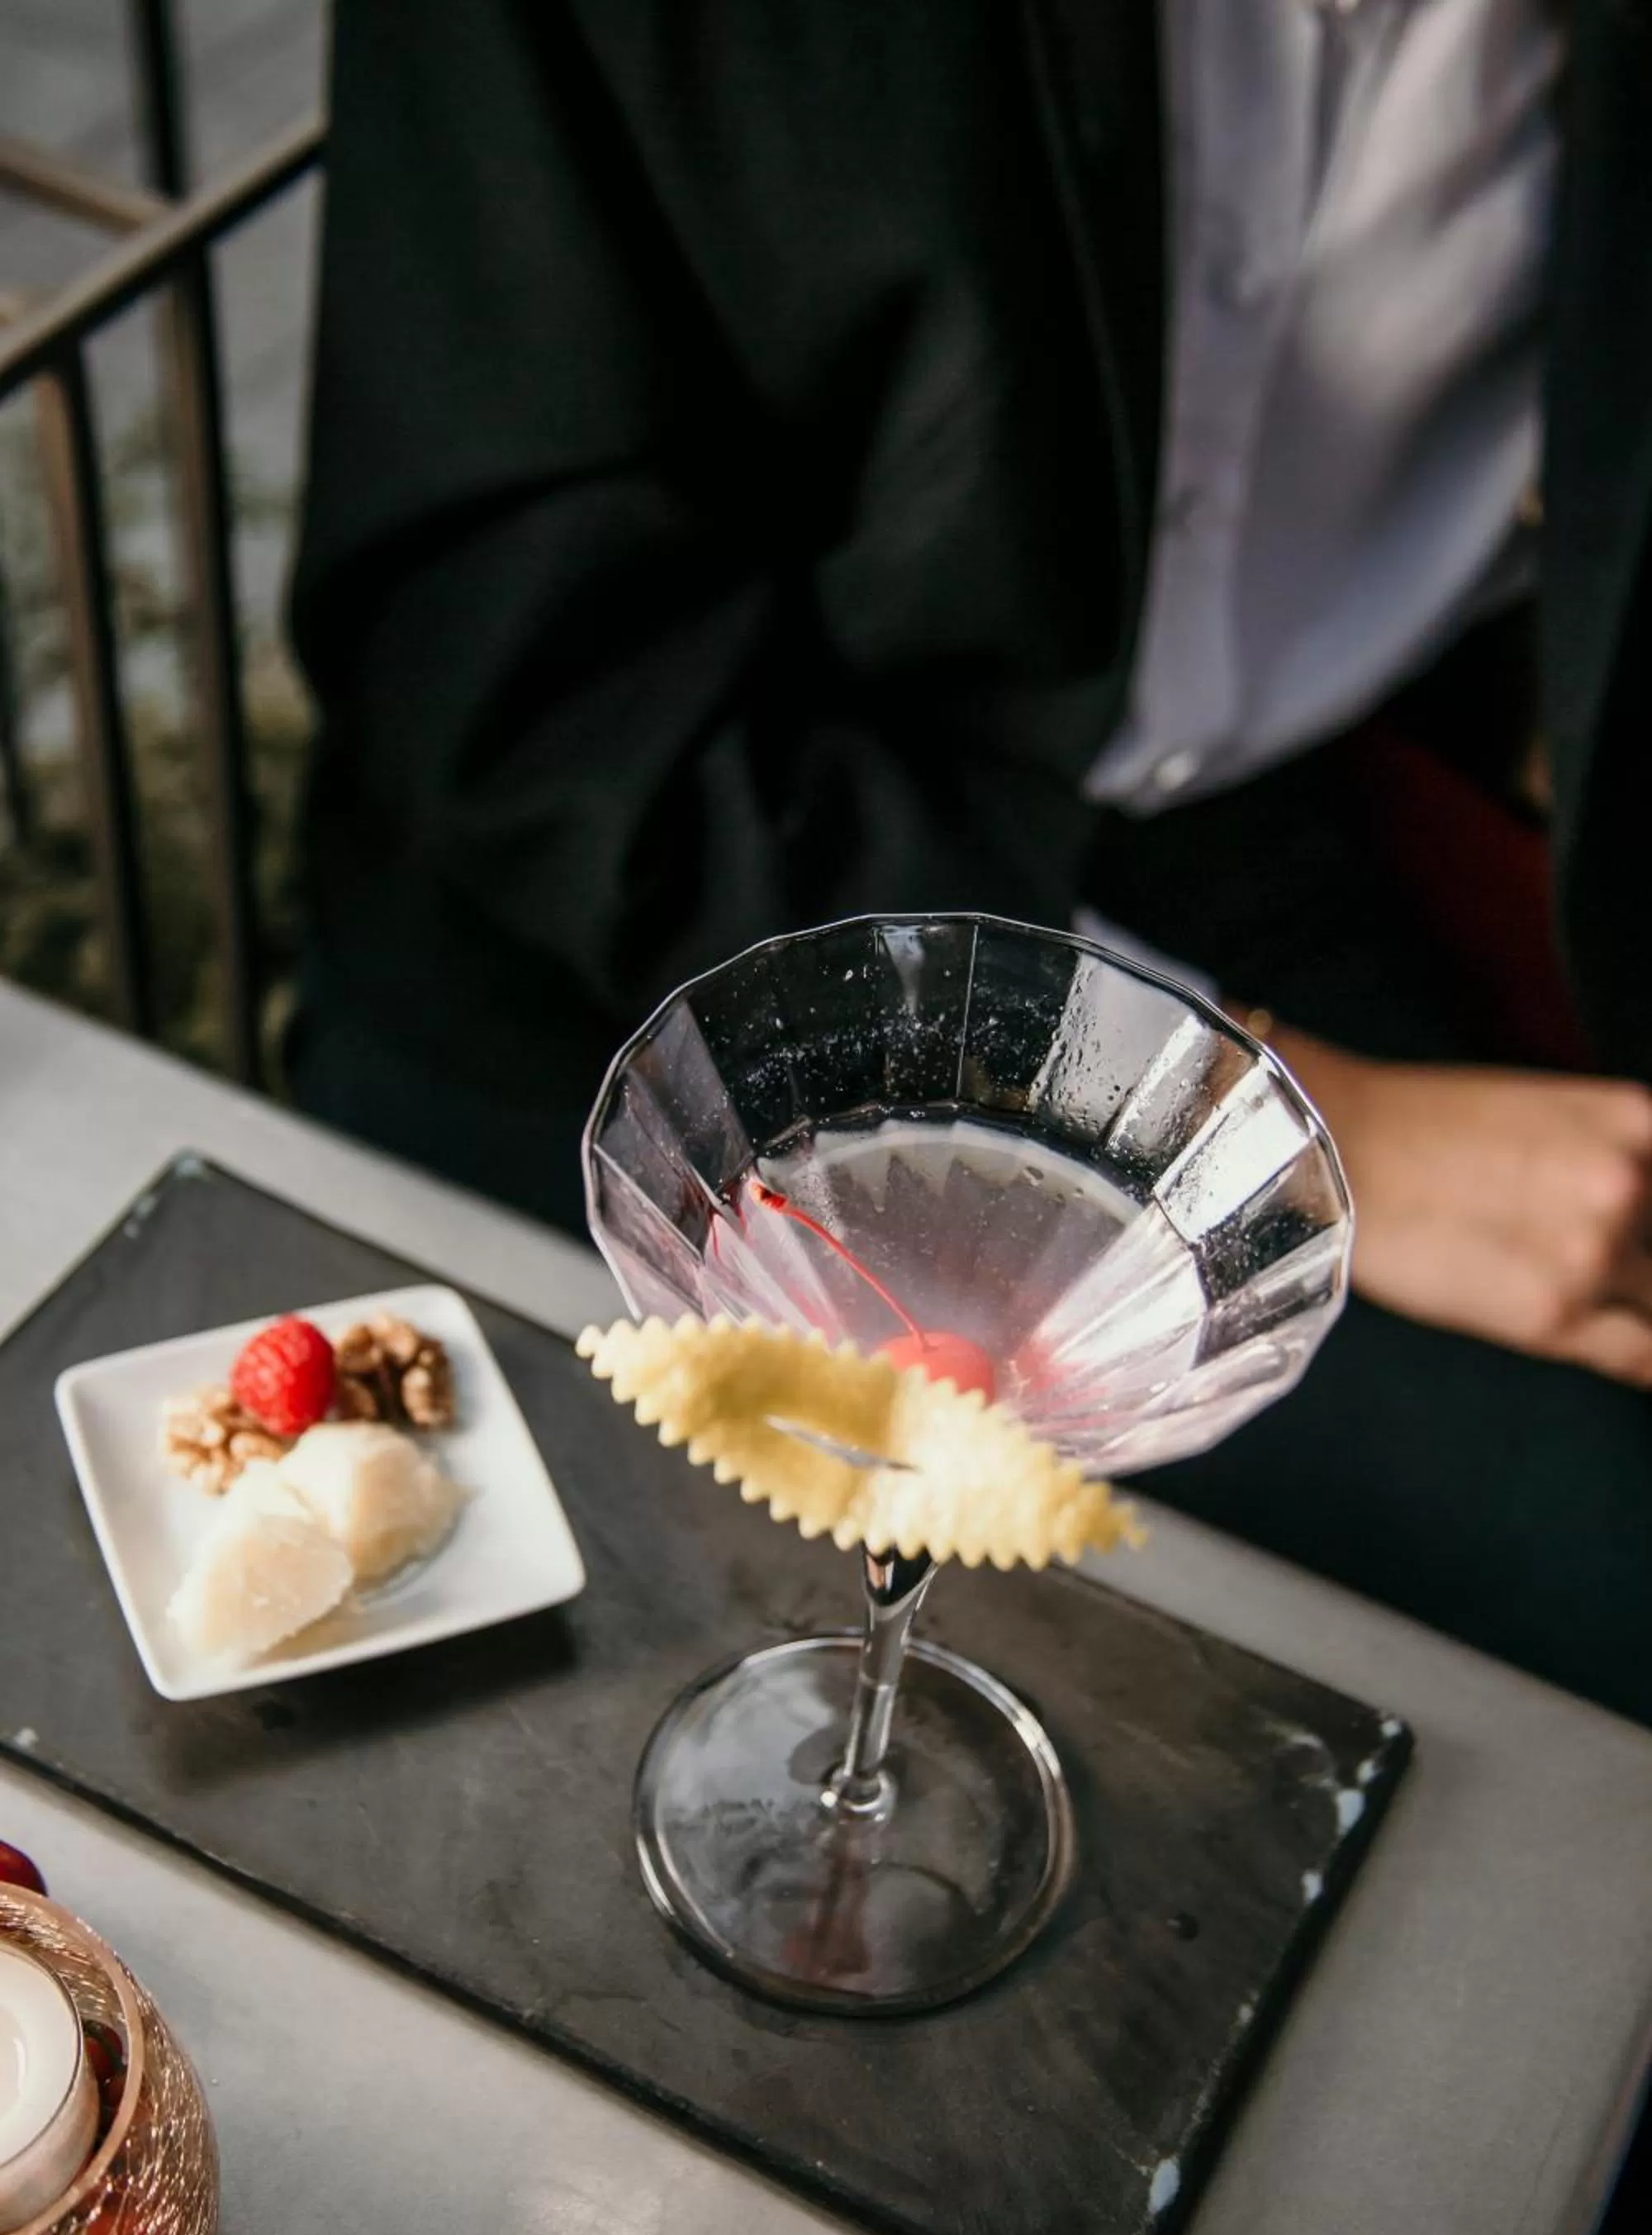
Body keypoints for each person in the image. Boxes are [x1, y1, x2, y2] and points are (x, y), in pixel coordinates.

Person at [289, 0, 1652, 1726]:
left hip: (1251, 854)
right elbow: (503, 655)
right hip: (631, 923)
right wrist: (1294, 1123)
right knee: (526, 1693)